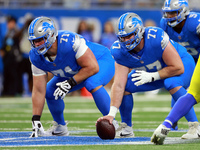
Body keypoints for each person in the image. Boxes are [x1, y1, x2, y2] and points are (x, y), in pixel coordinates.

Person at [96, 12, 199, 139]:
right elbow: (118, 84)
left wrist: (152, 76)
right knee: (126, 85)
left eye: (129, 36)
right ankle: (126, 127)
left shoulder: (155, 37)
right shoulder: (118, 50)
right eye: (123, 37)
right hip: (151, 71)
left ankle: (195, 127)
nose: (126, 40)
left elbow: (177, 67)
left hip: (181, 64)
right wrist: (111, 114)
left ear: (139, 31)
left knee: (171, 83)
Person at [28, 16, 115, 137]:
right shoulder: (35, 56)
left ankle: (113, 121)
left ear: (51, 35)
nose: (37, 44)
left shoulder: (69, 41)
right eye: (34, 41)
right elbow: (38, 90)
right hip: (73, 70)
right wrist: (36, 119)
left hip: (100, 61)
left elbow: (92, 67)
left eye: (40, 40)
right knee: (49, 91)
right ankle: (60, 127)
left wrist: (70, 83)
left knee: (92, 82)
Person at [160, 0, 200, 132]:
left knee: (192, 92)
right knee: (175, 83)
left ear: (183, 11)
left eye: (173, 13)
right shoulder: (164, 25)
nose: (169, 16)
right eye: (167, 13)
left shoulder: (194, 22)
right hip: (186, 60)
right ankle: (174, 118)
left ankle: (187, 123)